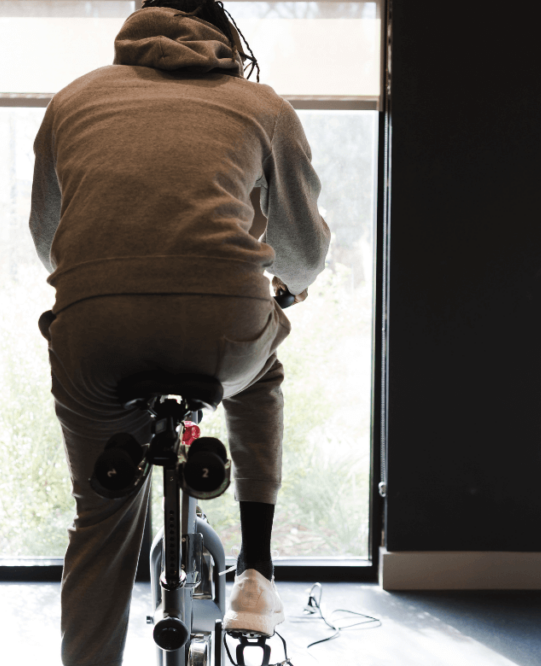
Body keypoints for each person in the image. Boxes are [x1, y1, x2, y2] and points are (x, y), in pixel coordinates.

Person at [29, 1, 330, 663]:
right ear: (225, 39)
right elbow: (303, 255)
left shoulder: (72, 101)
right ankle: (256, 569)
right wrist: (288, 288)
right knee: (263, 366)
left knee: (101, 522)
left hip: (95, 332)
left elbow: (48, 243)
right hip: (219, 326)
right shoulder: (261, 106)